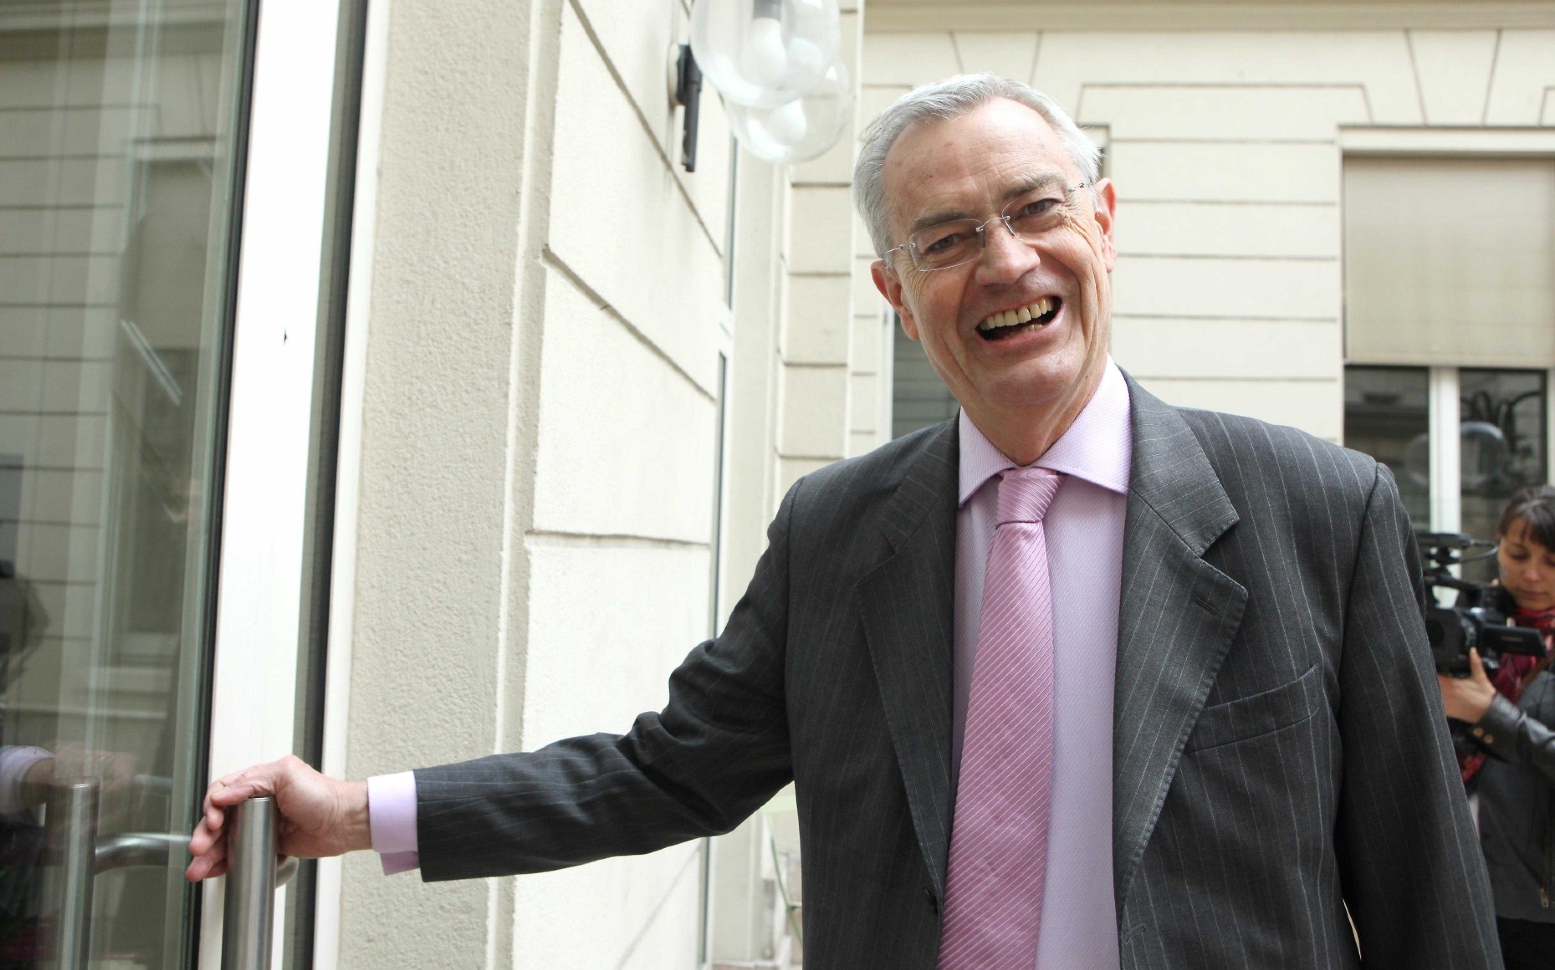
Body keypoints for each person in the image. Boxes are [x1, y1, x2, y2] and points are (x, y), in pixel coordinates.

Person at [189, 74, 1498, 967]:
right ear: (894, 288)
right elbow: (667, 771)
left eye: (1038, 208)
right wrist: (351, 812)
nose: (1004, 260)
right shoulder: (839, 532)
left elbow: (1426, 892)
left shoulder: (1317, 509)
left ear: (1103, 222)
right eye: (945, 236)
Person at [1438, 485, 1555, 970]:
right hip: (1459, 878)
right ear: (1498, 545)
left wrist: (1489, 712)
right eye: (1518, 553)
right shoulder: (1461, 628)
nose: (1530, 574)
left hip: (1538, 900)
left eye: (1551, 561)